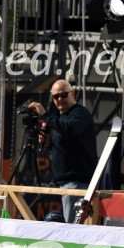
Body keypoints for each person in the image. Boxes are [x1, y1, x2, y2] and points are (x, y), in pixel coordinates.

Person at [28, 79, 98, 223]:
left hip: (77, 182)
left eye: (63, 95)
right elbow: (67, 142)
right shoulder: (62, 118)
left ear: (72, 94)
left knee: (73, 227)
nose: (59, 99)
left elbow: (70, 129)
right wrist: (48, 143)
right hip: (67, 182)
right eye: (55, 97)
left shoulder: (79, 113)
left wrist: (45, 115)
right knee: (71, 224)